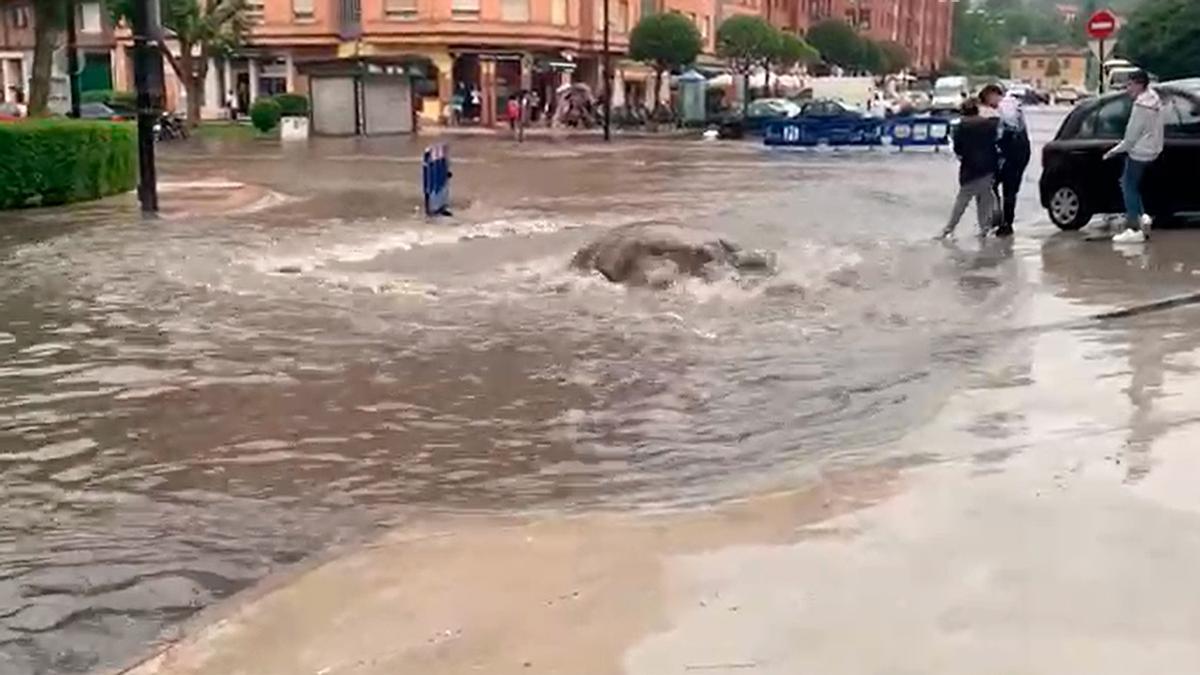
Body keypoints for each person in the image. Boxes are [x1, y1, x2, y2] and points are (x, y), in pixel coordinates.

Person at [1105, 70, 1164, 244]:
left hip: (1139, 152)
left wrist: (1113, 151)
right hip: (1153, 149)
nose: (1127, 88)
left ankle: (1134, 229)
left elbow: (1130, 139)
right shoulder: (1154, 98)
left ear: (1139, 85)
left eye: (1130, 85)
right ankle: (1143, 217)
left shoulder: (1141, 107)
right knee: (1133, 184)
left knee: (1127, 185)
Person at [940, 98, 1000, 239]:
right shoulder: (989, 124)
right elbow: (997, 138)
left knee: (962, 200)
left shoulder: (960, 127)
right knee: (984, 199)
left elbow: (957, 148)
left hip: (970, 168)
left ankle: (949, 229)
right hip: (988, 167)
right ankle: (984, 229)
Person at [980, 83, 1031, 237]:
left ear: (992, 95)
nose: (989, 106)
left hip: (1015, 152)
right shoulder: (1010, 104)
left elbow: (1008, 126)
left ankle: (1005, 223)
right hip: (1017, 150)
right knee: (997, 185)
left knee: (1005, 187)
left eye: (988, 101)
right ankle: (1002, 220)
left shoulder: (1006, 104)